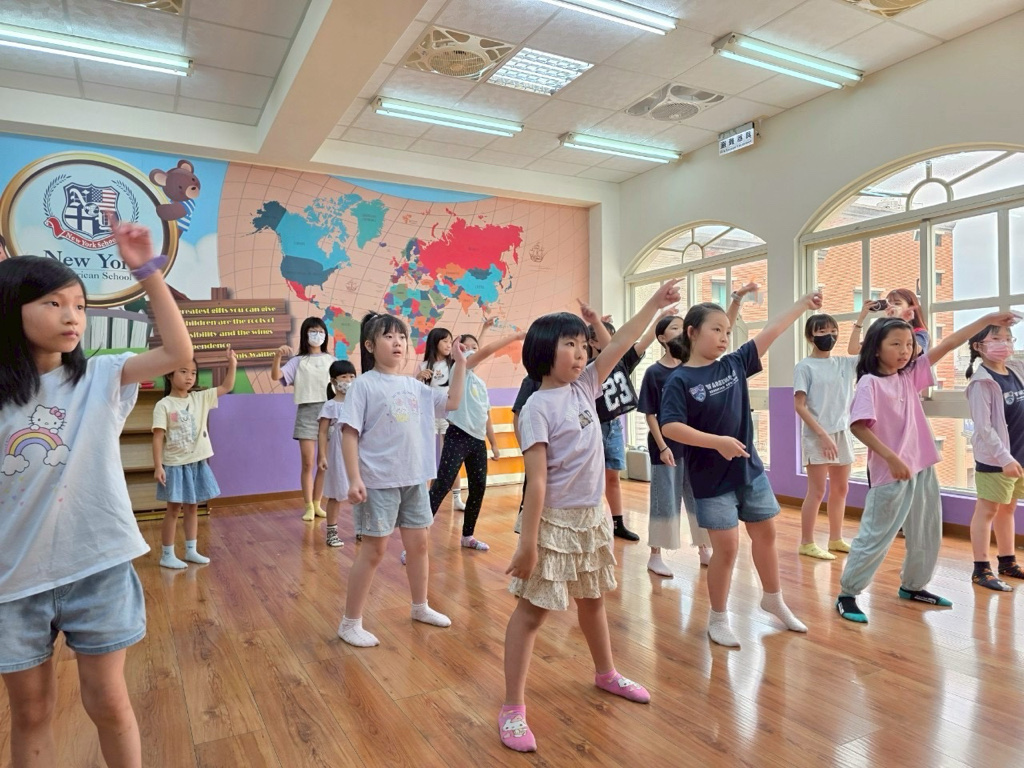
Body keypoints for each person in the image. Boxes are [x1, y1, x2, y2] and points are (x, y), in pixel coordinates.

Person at [0, 219, 192, 768]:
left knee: (109, 703)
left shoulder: (100, 377)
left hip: (97, 565)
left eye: (80, 306)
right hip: (14, 580)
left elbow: (178, 351)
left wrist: (147, 272)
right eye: (53, 303)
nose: (72, 317)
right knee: (30, 714)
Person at [498, 283, 680, 754]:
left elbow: (621, 343)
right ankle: (512, 707)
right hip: (554, 523)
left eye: (583, 345)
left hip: (591, 518)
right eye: (570, 344)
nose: (581, 353)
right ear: (544, 351)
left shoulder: (585, 386)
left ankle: (606, 673)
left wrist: (654, 304)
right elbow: (537, 482)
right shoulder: (535, 409)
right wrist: (528, 543)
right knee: (532, 614)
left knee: (594, 601)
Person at [661, 293, 821, 648]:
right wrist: (716, 442)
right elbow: (670, 426)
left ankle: (773, 599)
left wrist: (801, 304)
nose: (724, 337)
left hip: (750, 472)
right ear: (692, 332)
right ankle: (718, 617)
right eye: (716, 330)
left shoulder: (734, 364)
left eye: (727, 331)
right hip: (711, 480)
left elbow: (772, 330)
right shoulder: (679, 380)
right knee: (727, 549)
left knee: (766, 534)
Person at [835, 311, 1017, 623]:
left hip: (922, 466)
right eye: (896, 344)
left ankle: (914, 586)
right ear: (876, 348)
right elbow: (858, 426)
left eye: (909, 344)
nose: (905, 351)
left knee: (926, 532)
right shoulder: (869, 383)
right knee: (875, 536)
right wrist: (892, 458)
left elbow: (950, 342)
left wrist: (987, 319)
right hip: (891, 472)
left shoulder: (909, 375)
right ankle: (847, 594)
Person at [337, 312, 466, 647]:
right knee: (374, 551)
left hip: (414, 479)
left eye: (402, 337)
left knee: (419, 545)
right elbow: (349, 433)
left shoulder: (415, 387)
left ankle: (420, 606)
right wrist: (354, 478)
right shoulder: (364, 385)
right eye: (388, 336)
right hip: (378, 481)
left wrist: (461, 364)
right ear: (370, 345)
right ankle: (350, 623)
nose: (397, 342)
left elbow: (452, 401)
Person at [638, 285, 753, 576]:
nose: (681, 331)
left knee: (696, 499)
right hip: (666, 447)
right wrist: (663, 447)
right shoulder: (655, 373)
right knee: (665, 501)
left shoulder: (697, 367)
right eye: (674, 328)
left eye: (682, 326)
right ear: (663, 338)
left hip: (696, 449)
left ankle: (704, 548)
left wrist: (736, 301)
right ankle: (656, 554)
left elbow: (722, 326)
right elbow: (651, 414)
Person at [429, 328, 525, 551]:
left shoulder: (479, 384)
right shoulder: (458, 370)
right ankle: (415, 540)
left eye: (475, 348)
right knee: (441, 485)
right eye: (467, 348)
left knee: (478, 487)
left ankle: (468, 536)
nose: (472, 351)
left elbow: (485, 415)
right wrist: (515, 337)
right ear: (457, 353)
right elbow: (487, 350)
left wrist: (494, 443)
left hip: (477, 440)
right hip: (458, 435)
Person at [587, 310, 676, 541]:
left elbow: (644, 339)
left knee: (613, 477)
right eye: (605, 336)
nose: (613, 342)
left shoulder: (623, 361)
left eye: (614, 336)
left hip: (614, 427)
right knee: (591, 479)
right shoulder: (588, 369)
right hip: (592, 428)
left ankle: (618, 523)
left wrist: (659, 317)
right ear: (592, 342)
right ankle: (590, 523)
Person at [152, 349, 237, 568]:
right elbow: (158, 437)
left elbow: (226, 386)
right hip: (174, 465)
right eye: (183, 371)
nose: (189, 377)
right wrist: (158, 466)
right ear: (170, 374)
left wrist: (232, 364)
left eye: (193, 372)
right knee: (173, 510)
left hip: (197, 463)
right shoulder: (164, 405)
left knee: (192, 507)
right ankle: (167, 554)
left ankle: (191, 550)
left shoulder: (200, 398)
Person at [964, 323, 1024, 591]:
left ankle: (1008, 562)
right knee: (987, 510)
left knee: (1008, 508)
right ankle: (981, 569)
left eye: (1008, 338)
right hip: (996, 459)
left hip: (1018, 454)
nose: (1004, 343)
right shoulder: (981, 382)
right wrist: (1004, 459)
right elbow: (984, 427)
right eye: (996, 338)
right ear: (978, 346)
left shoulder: (1016, 369)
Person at [792, 313, 856, 560]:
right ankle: (806, 543)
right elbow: (799, 406)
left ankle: (836, 539)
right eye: (821, 331)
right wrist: (822, 435)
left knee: (841, 488)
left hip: (842, 432)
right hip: (817, 435)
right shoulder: (804, 366)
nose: (828, 335)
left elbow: (862, 350)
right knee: (817, 491)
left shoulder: (844, 363)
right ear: (810, 337)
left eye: (832, 331)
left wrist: (862, 318)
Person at [272, 317, 334, 522]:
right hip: (307, 412)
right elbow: (276, 376)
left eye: (321, 331)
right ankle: (308, 505)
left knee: (323, 463)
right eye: (313, 331)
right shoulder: (298, 361)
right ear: (305, 335)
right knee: (308, 463)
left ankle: (318, 503)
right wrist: (277, 357)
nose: (317, 335)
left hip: (328, 413)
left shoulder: (331, 360)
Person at [418, 327, 468, 511]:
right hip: (429, 416)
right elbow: (417, 393)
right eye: (445, 341)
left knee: (452, 457)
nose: (448, 345)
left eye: (450, 341)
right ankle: (424, 498)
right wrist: (418, 378)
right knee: (427, 456)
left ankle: (457, 498)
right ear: (435, 342)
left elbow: (471, 356)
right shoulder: (424, 366)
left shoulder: (454, 364)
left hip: (449, 416)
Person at [317, 359, 357, 548]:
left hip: (358, 452)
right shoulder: (330, 405)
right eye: (344, 377)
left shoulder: (358, 403)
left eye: (352, 377)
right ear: (334, 381)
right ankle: (332, 532)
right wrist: (322, 455)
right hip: (338, 452)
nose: (348, 381)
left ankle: (362, 529)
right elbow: (322, 432)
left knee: (362, 492)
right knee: (336, 493)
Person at [849, 288, 930, 358]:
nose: (891, 307)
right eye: (888, 303)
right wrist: (861, 317)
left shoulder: (920, 333)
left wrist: (899, 321)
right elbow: (854, 350)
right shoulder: (882, 332)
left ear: (910, 307)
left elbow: (913, 352)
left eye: (897, 303)